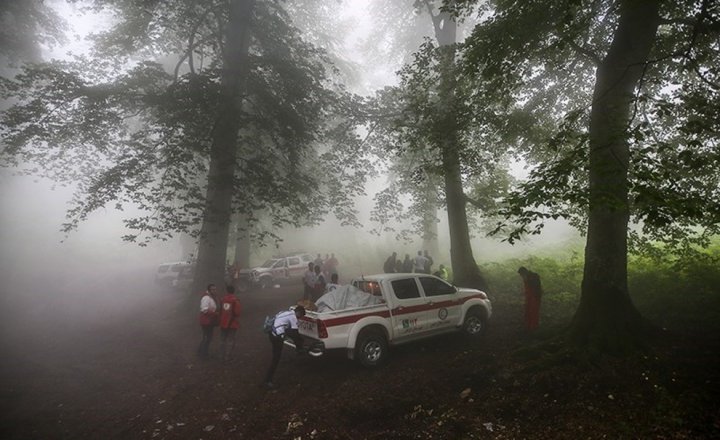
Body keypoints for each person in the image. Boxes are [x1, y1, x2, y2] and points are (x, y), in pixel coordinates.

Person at [263, 306, 306, 388]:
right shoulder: (293, 317)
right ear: (299, 313)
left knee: (275, 357)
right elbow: (295, 333)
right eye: (300, 316)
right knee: (276, 359)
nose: (299, 318)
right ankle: (267, 381)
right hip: (277, 337)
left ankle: (299, 349)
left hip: (272, 333)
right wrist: (300, 343)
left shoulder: (286, 312)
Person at [219, 285, 242, 361]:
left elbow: (220, 310)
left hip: (223, 322)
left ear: (227, 291)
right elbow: (237, 312)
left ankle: (221, 355)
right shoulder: (235, 300)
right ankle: (227, 356)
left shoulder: (222, 299)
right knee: (230, 340)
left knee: (222, 339)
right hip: (232, 323)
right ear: (234, 291)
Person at [518, 266, 543, 331]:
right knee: (527, 311)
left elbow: (536, 288)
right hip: (529, 297)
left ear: (524, 272)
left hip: (535, 296)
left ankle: (533, 327)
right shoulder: (526, 277)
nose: (521, 276)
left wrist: (535, 296)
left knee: (534, 312)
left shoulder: (533, 276)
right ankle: (528, 326)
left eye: (521, 275)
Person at [197, 284, 219, 359]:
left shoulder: (211, 297)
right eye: (213, 289)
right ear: (209, 290)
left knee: (207, 337)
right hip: (206, 321)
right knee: (207, 337)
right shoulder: (206, 298)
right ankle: (203, 354)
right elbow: (204, 309)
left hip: (209, 320)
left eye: (215, 289)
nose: (214, 291)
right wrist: (215, 313)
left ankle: (201, 351)